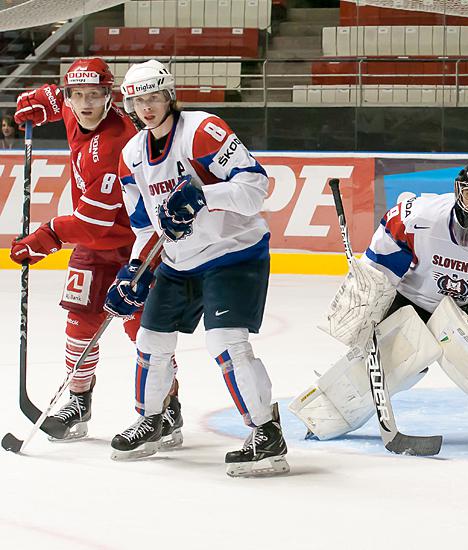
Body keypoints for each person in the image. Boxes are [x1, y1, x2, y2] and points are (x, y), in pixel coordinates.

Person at [290, 159, 468, 453]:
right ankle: (327, 412)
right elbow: (378, 272)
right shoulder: (418, 217)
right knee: (395, 356)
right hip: (414, 301)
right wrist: (366, 311)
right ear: (458, 192)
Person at [105, 59, 287, 477]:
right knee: (150, 339)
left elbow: (254, 187)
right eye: (137, 100)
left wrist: (204, 195)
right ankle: (155, 419)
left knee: (225, 340)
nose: (146, 108)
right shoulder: (132, 155)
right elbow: (144, 226)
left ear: (169, 96)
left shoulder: (203, 130)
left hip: (234, 253)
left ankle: (266, 431)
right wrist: (134, 271)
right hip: (179, 261)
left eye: (153, 97)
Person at [9, 58, 182, 444]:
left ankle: (167, 408)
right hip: (91, 249)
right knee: (79, 325)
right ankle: (78, 401)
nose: (84, 104)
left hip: (133, 246)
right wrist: (36, 99)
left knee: (143, 332)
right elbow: (53, 98)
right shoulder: (73, 109)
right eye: (77, 95)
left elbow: (95, 221)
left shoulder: (117, 140)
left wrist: (45, 238)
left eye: (94, 95)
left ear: (110, 96)